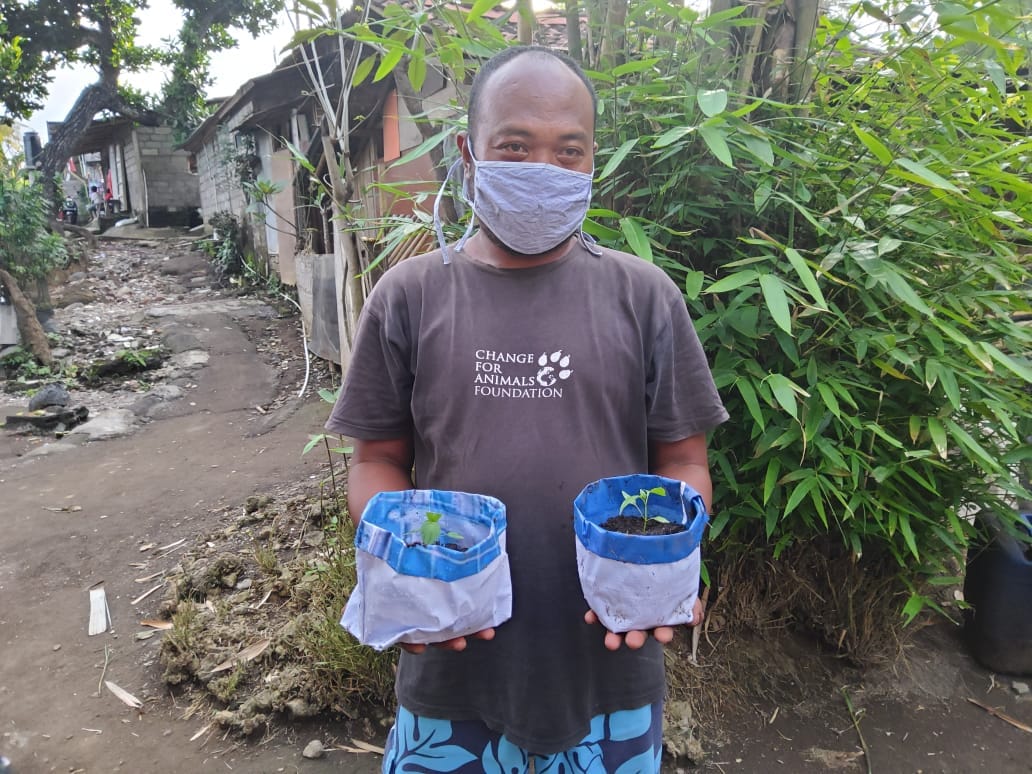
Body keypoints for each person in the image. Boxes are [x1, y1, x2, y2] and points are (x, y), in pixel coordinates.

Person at [326, 45, 729, 773]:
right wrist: (412, 569)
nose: (544, 167)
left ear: (593, 161)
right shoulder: (410, 297)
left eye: (568, 151)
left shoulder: (644, 297)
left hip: (610, 666)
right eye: (515, 146)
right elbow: (377, 461)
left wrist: (664, 569)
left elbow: (683, 463)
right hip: (450, 661)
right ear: (468, 153)